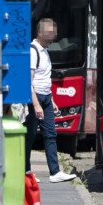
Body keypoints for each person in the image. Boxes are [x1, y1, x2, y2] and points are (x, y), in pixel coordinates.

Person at [26, 19, 72, 183]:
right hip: (35, 98)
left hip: (45, 98)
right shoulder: (33, 51)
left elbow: (45, 78)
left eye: (55, 31)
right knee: (29, 136)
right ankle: (26, 171)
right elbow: (29, 80)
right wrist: (36, 104)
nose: (54, 34)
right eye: (50, 31)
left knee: (51, 134)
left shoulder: (45, 51)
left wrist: (51, 99)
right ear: (40, 32)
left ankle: (55, 172)